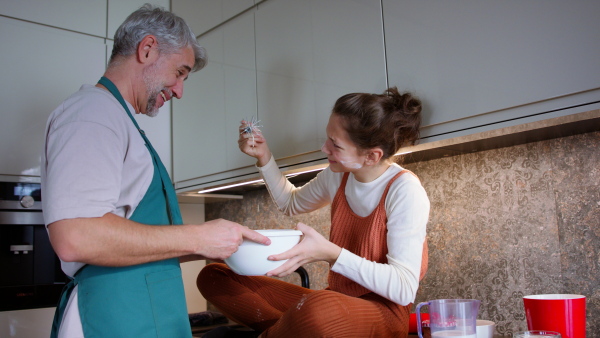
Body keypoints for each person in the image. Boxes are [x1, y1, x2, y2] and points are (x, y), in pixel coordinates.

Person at [41, 5, 270, 338]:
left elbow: (137, 240)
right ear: (147, 49)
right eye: (180, 72)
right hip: (111, 316)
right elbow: (76, 236)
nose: (179, 90)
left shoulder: (119, 121)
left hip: (141, 314)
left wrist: (220, 243)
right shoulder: (92, 112)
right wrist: (198, 236)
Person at [197, 87, 430, 337]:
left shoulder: (404, 190)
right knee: (214, 276)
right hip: (335, 304)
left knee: (318, 309)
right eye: (327, 138)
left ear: (372, 156)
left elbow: (404, 289)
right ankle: (291, 330)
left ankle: (292, 329)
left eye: (335, 145)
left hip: (384, 313)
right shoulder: (338, 176)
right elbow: (290, 203)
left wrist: (331, 254)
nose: (324, 148)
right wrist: (264, 157)